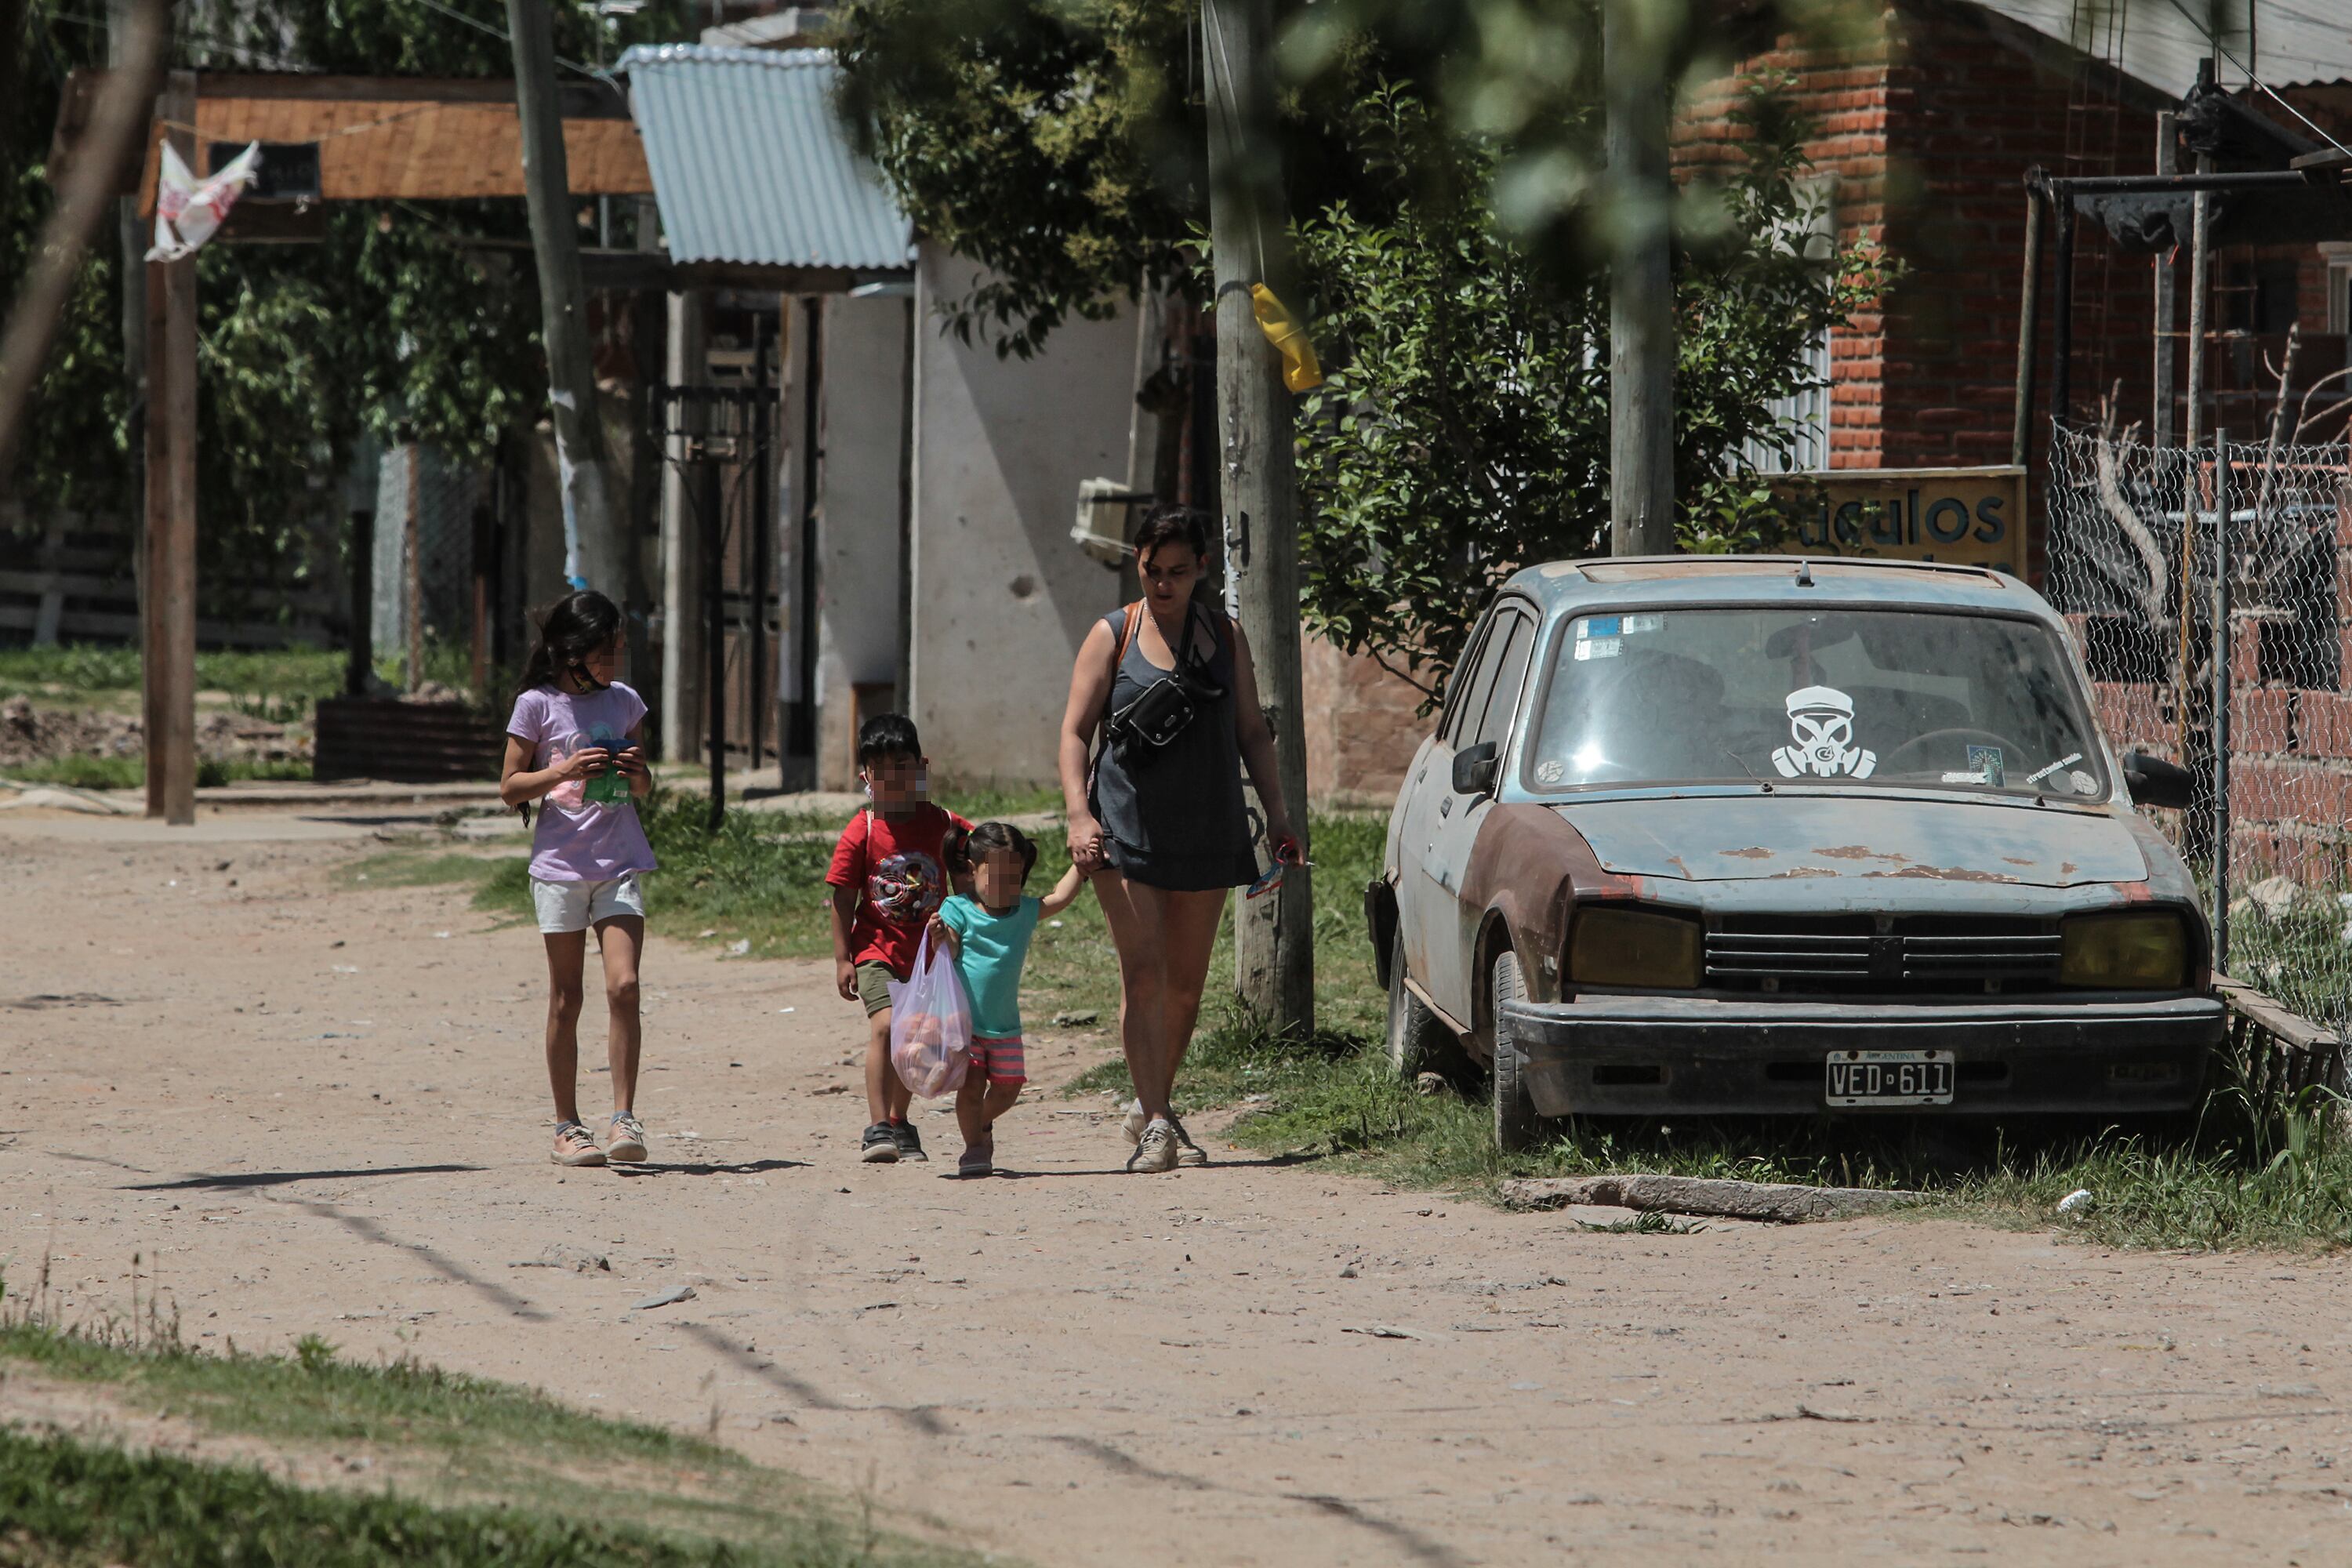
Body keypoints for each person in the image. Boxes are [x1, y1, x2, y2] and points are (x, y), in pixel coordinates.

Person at [1058, 506, 1301, 1174]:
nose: (1163, 584)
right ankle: (1159, 1121)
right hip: (1125, 826)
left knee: (1186, 989)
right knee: (1144, 975)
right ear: (1136, 565)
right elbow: (1076, 731)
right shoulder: (1114, 633)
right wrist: (1080, 817)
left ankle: (1150, 1101)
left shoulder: (1226, 635)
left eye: (1177, 572)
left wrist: (1279, 815)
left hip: (1208, 822)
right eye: (1151, 570)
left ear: (1201, 570)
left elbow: (1252, 730)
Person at [498, 590, 655, 1168]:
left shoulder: (625, 702)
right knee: (568, 997)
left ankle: (623, 1118)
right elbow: (510, 786)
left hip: (618, 861)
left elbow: (642, 787)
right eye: (602, 652)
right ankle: (567, 1126)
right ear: (570, 651)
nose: (612, 665)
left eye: (616, 652)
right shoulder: (536, 705)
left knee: (626, 987)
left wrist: (638, 772)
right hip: (561, 868)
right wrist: (562, 769)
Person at [827, 713, 974, 1164]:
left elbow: (976, 871)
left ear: (921, 766)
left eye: (903, 767)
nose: (894, 780)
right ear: (865, 777)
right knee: (888, 1027)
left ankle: (898, 1121)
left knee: (918, 1037)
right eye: (881, 772)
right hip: (876, 950)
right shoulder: (863, 829)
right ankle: (877, 1128)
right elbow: (841, 894)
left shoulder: (946, 824)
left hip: (929, 957)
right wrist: (842, 958)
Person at [930, 822, 1089, 1178]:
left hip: (1004, 1027)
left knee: (1009, 1089)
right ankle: (973, 1148)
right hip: (965, 1026)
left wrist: (1080, 867)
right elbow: (952, 947)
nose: (1004, 885)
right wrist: (940, 936)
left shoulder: (1023, 912)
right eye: (995, 876)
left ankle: (980, 1124)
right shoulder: (958, 908)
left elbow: (1059, 897)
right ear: (972, 872)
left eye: (1012, 876)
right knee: (971, 1088)